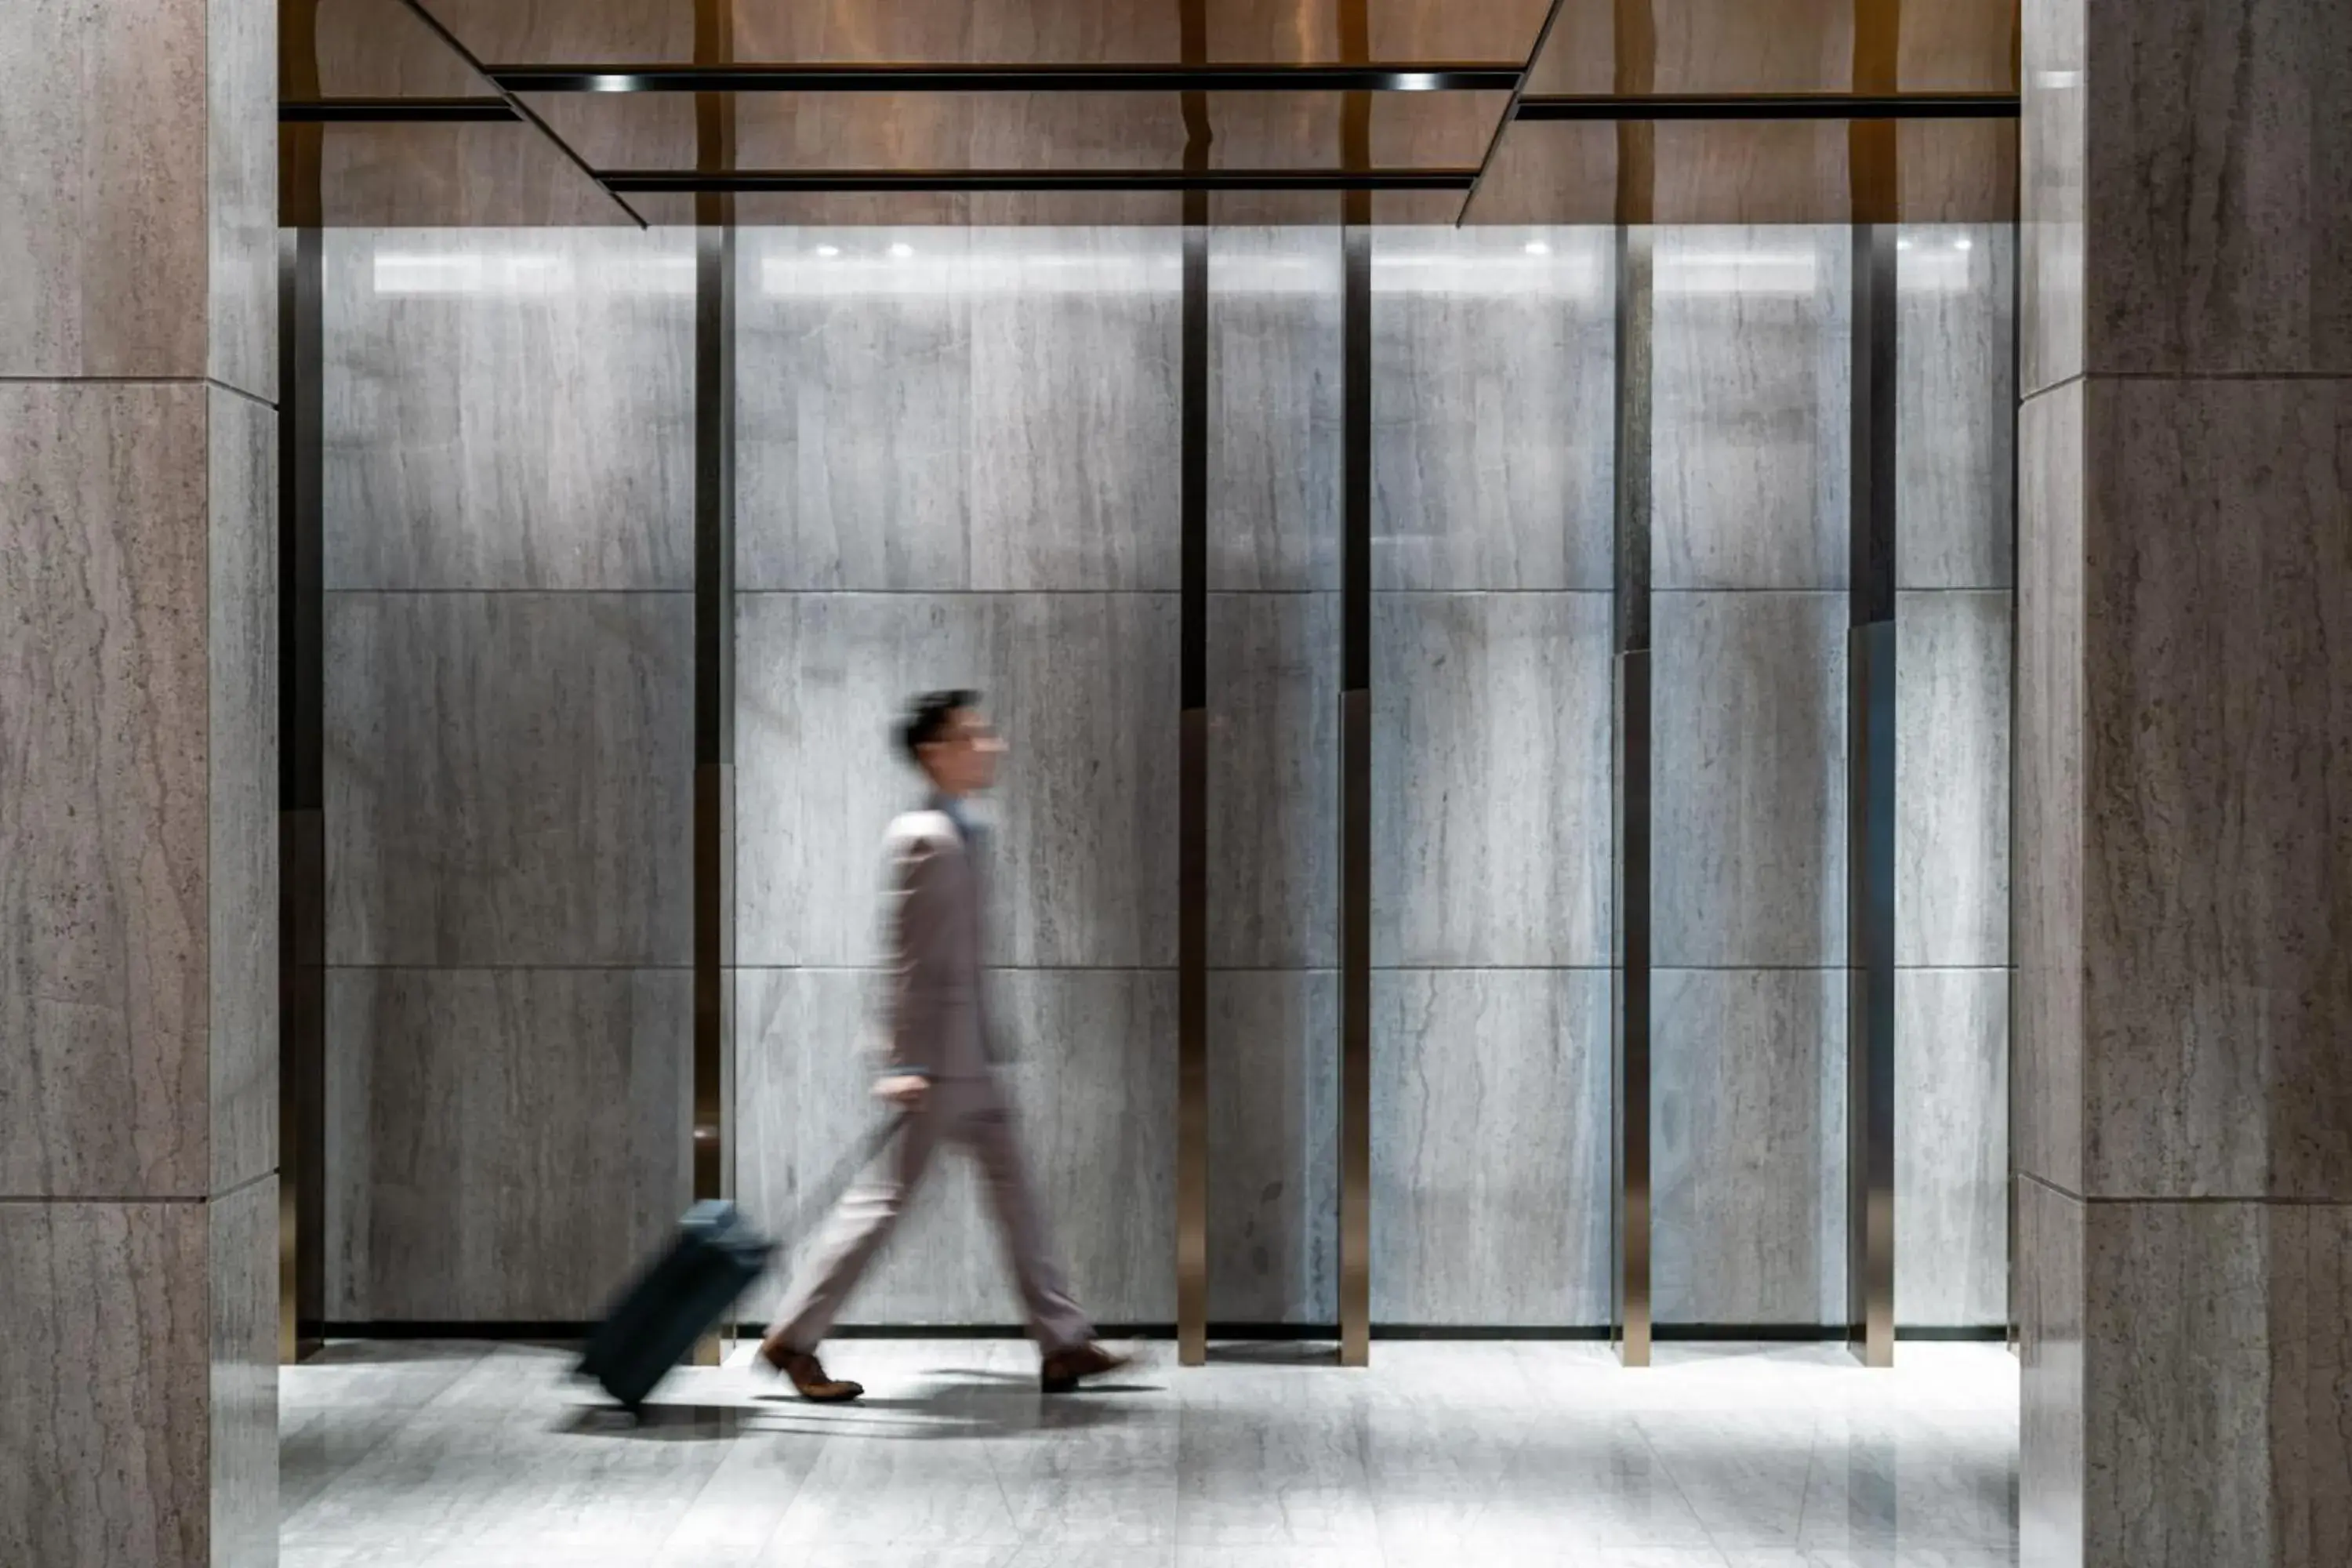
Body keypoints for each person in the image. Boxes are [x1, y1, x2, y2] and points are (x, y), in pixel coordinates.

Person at [758, 690, 1130, 1400]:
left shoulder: (961, 830)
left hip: (969, 1063)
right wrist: (902, 1061)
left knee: (1015, 1196)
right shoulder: (923, 836)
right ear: (934, 752)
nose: (992, 746)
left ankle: (1063, 1343)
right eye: (973, 736)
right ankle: (792, 1340)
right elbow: (906, 955)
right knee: (880, 1206)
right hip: (935, 1068)